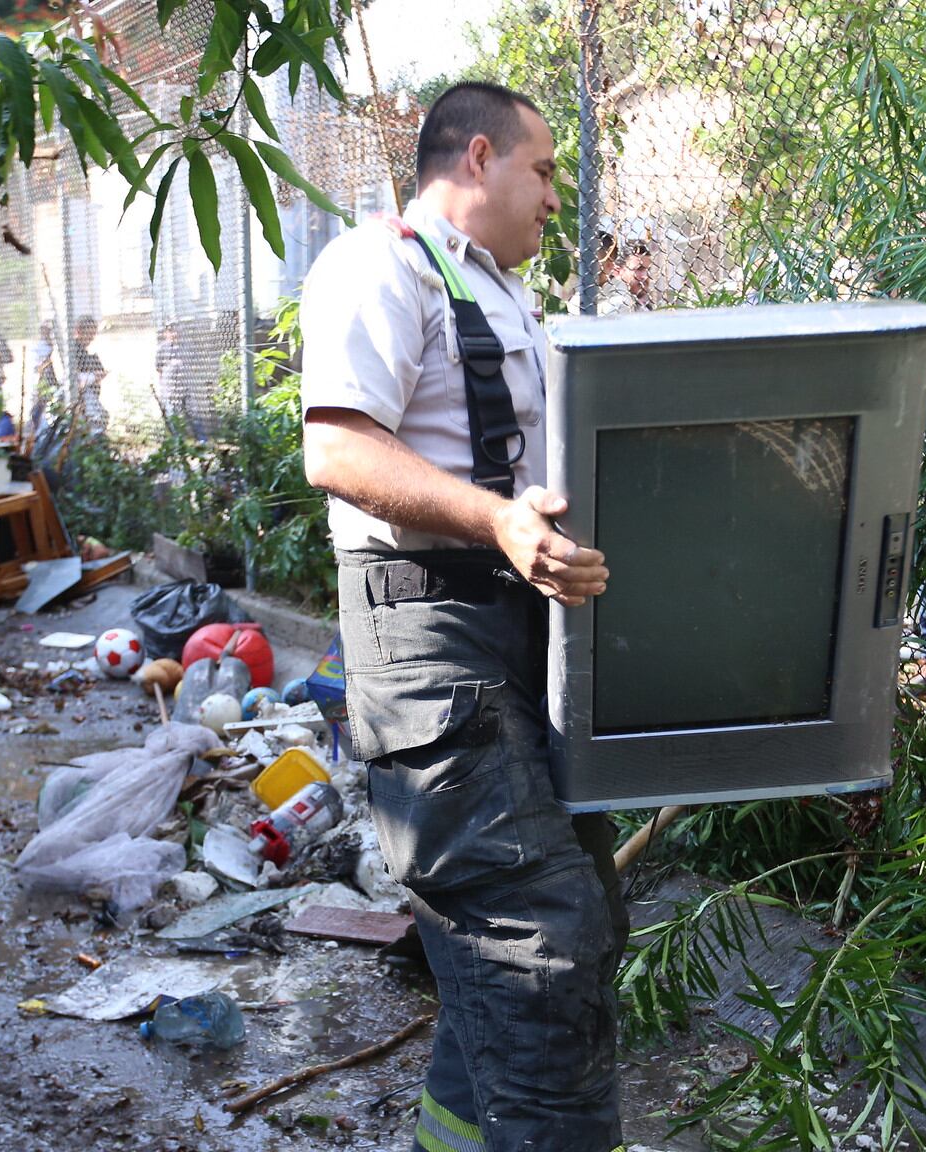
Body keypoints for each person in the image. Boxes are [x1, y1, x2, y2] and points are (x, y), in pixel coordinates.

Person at [299, 81, 622, 1151]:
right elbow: (337, 449)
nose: (550, 197)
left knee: (527, 937)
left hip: (509, 645)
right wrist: (497, 523)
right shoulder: (378, 265)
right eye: (541, 170)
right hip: (430, 642)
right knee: (541, 948)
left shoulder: (503, 297)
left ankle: (451, 1135)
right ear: (477, 159)